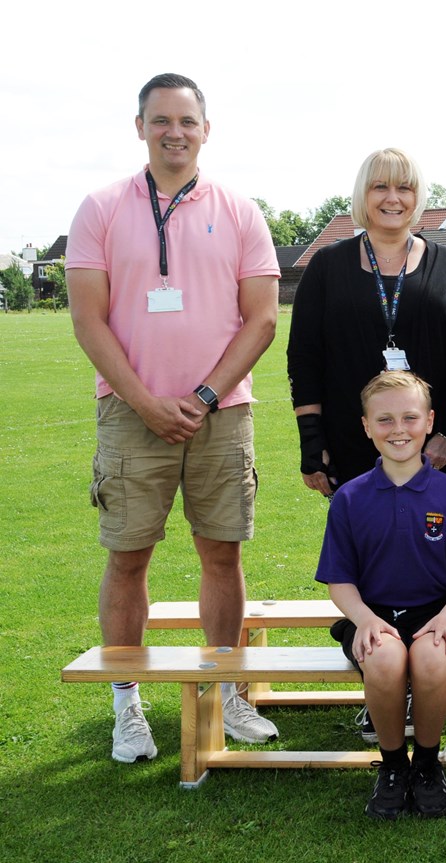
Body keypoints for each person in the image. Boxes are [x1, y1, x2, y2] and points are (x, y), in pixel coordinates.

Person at [66, 72, 281, 763]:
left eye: (187, 121)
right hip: (131, 414)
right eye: (161, 121)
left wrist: (206, 396)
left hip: (222, 414)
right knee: (128, 558)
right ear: (140, 127)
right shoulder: (100, 208)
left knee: (222, 552)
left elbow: (262, 318)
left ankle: (227, 691)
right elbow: (88, 319)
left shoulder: (241, 210)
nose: (175, 132)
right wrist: (146, 401)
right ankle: (127, 704)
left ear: (205, 130)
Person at [316, 371, 446, 819]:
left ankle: (427, 766)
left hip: (437, 612)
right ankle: (393, 767)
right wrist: (365, 620)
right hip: (371, 613)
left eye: (410, 417)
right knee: (387, 659)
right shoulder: (349, 499)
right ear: (366, 427)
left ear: (429, 421)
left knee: (430, 660)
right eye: (385, 420)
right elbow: (340, 580)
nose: (399, 430)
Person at [287, 147, 446, 493]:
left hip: (433, 449)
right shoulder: (326, 266)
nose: (393, 198)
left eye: (404, 188)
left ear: (417, 197)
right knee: (362, 543)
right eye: (380, 187)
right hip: (349, 446)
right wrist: (311, 441)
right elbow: (304, 358)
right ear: (363, 194)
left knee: (433, 545)